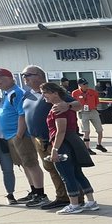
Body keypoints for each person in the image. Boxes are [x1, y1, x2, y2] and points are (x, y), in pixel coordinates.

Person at [0, 67, 49, 206]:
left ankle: (40, 194)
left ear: (10, 78)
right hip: (10, 135)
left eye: (0, 78)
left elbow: (22, 114)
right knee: (24, 164)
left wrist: (19, 134)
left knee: (31, 163)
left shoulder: (17, 93)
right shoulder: (6, 93)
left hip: (20, 136)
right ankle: (34, 191)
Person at [20, 65, 74, 211]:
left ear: (39, 76)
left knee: (63, 169)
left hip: (53, 139)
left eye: (28, 75)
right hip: (37, 138)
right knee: (50, 168)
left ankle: (74, 198)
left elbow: (78, 104)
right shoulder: (28, 94)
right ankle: (62, 197)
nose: (25, 77)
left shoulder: (52, 92)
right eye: (24, 75)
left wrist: (67, 105)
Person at [40, 82, 99, 214]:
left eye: (45, 93)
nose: (43, 96)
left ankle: (74, 204)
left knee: (67, 175)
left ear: (55, 93)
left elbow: (61, 131)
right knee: (78, 173)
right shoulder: (68, 107)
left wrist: (55, 150)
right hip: (73, 142)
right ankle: (90, 201)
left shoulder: (58, 108)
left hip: (63, 144)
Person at [73, 79, 107, 152]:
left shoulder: (93, 92)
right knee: (86, 131)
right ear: (80, 85)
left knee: (99, 130)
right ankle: (87, 148)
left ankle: (99, 144)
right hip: (83, 112)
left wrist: (93, 107)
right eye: (84, 84)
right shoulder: (75, 93)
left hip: (93, 111)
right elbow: (73, 103)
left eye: (86, 84)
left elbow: (97, 102)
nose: (86, 85)